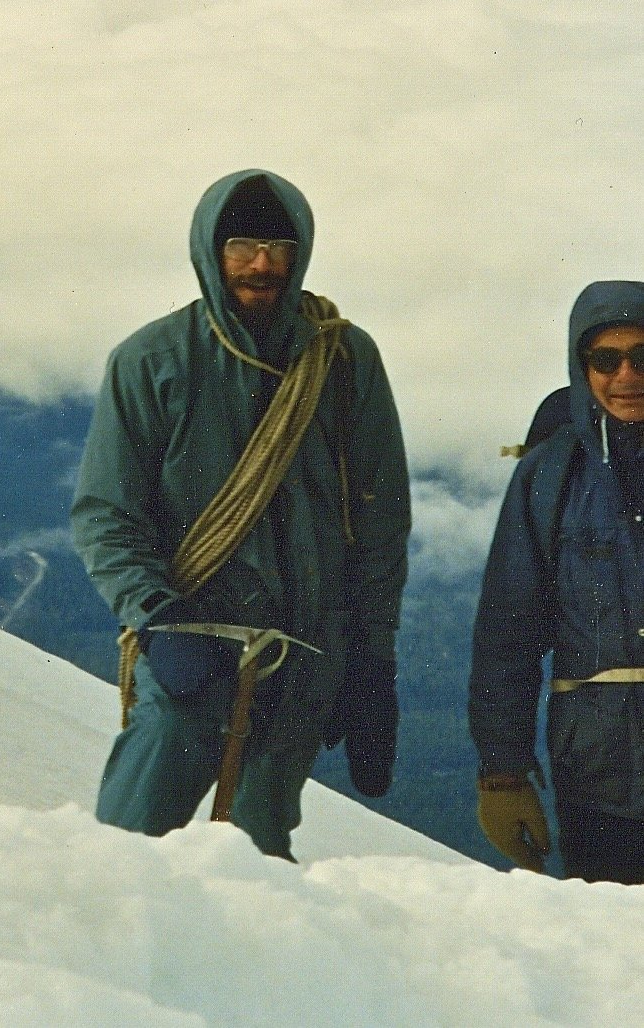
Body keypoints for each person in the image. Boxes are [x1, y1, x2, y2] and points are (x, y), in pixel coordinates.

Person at [71, 170, 410, 859]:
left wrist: (372, 658)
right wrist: (157, 618)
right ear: (210, 251)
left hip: (304, 656)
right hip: (189, 641)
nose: (263, 262)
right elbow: (107, 513)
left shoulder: (343, 360)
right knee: (127, 853)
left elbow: (380, 523)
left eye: (280, 245)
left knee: (261, 865)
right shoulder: (153, 361)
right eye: (243, 244)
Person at [470, 281, 644, 883]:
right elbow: (508, 633)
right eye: (606, 359)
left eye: (642, 356)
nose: (627, 375)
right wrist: (503, 774)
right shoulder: (550, 473)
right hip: (597, 766)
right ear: (582, 366)